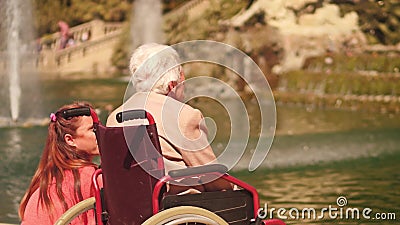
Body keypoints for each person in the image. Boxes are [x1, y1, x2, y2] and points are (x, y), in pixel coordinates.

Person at [107, 43, 232, 193]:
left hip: (130, 205)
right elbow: (213, 179)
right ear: (172, 85)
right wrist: (236, 189)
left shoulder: (115, 117)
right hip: (180, 206)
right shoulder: (185, 116)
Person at [19, 102, 99, 225]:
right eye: (93, 129)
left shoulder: (44, 180)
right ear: (70, 140)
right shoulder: (90, 177)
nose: (101, 133)